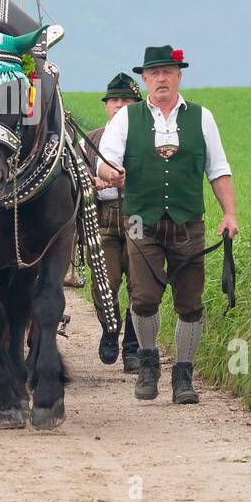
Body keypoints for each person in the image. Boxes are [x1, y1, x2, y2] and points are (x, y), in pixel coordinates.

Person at [98, 45, 238, 405]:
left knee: (190, 303)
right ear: (144, 79)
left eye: (168, 71)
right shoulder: (126, 120)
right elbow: (105, 163)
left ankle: (183, 375)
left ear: (179, 76)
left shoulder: (202, 118)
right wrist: (110, 172)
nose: (161, 78)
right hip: (140, 223)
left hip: (188, 222)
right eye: (154, 73)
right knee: (143, 299)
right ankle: (147, 364)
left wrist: (229, 214)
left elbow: (218, 169)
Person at [81, 72, 145, 373]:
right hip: (103, 219)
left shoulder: (148, 138)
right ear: (106, 106)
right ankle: (110, 330)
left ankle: (132, 345)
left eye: (127, 101)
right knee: (103, 283)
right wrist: (92, 181)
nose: (120, 105)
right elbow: (77, 175)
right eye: (115, 100)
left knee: (139, 284)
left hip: (137, 218)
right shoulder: (92, 139)